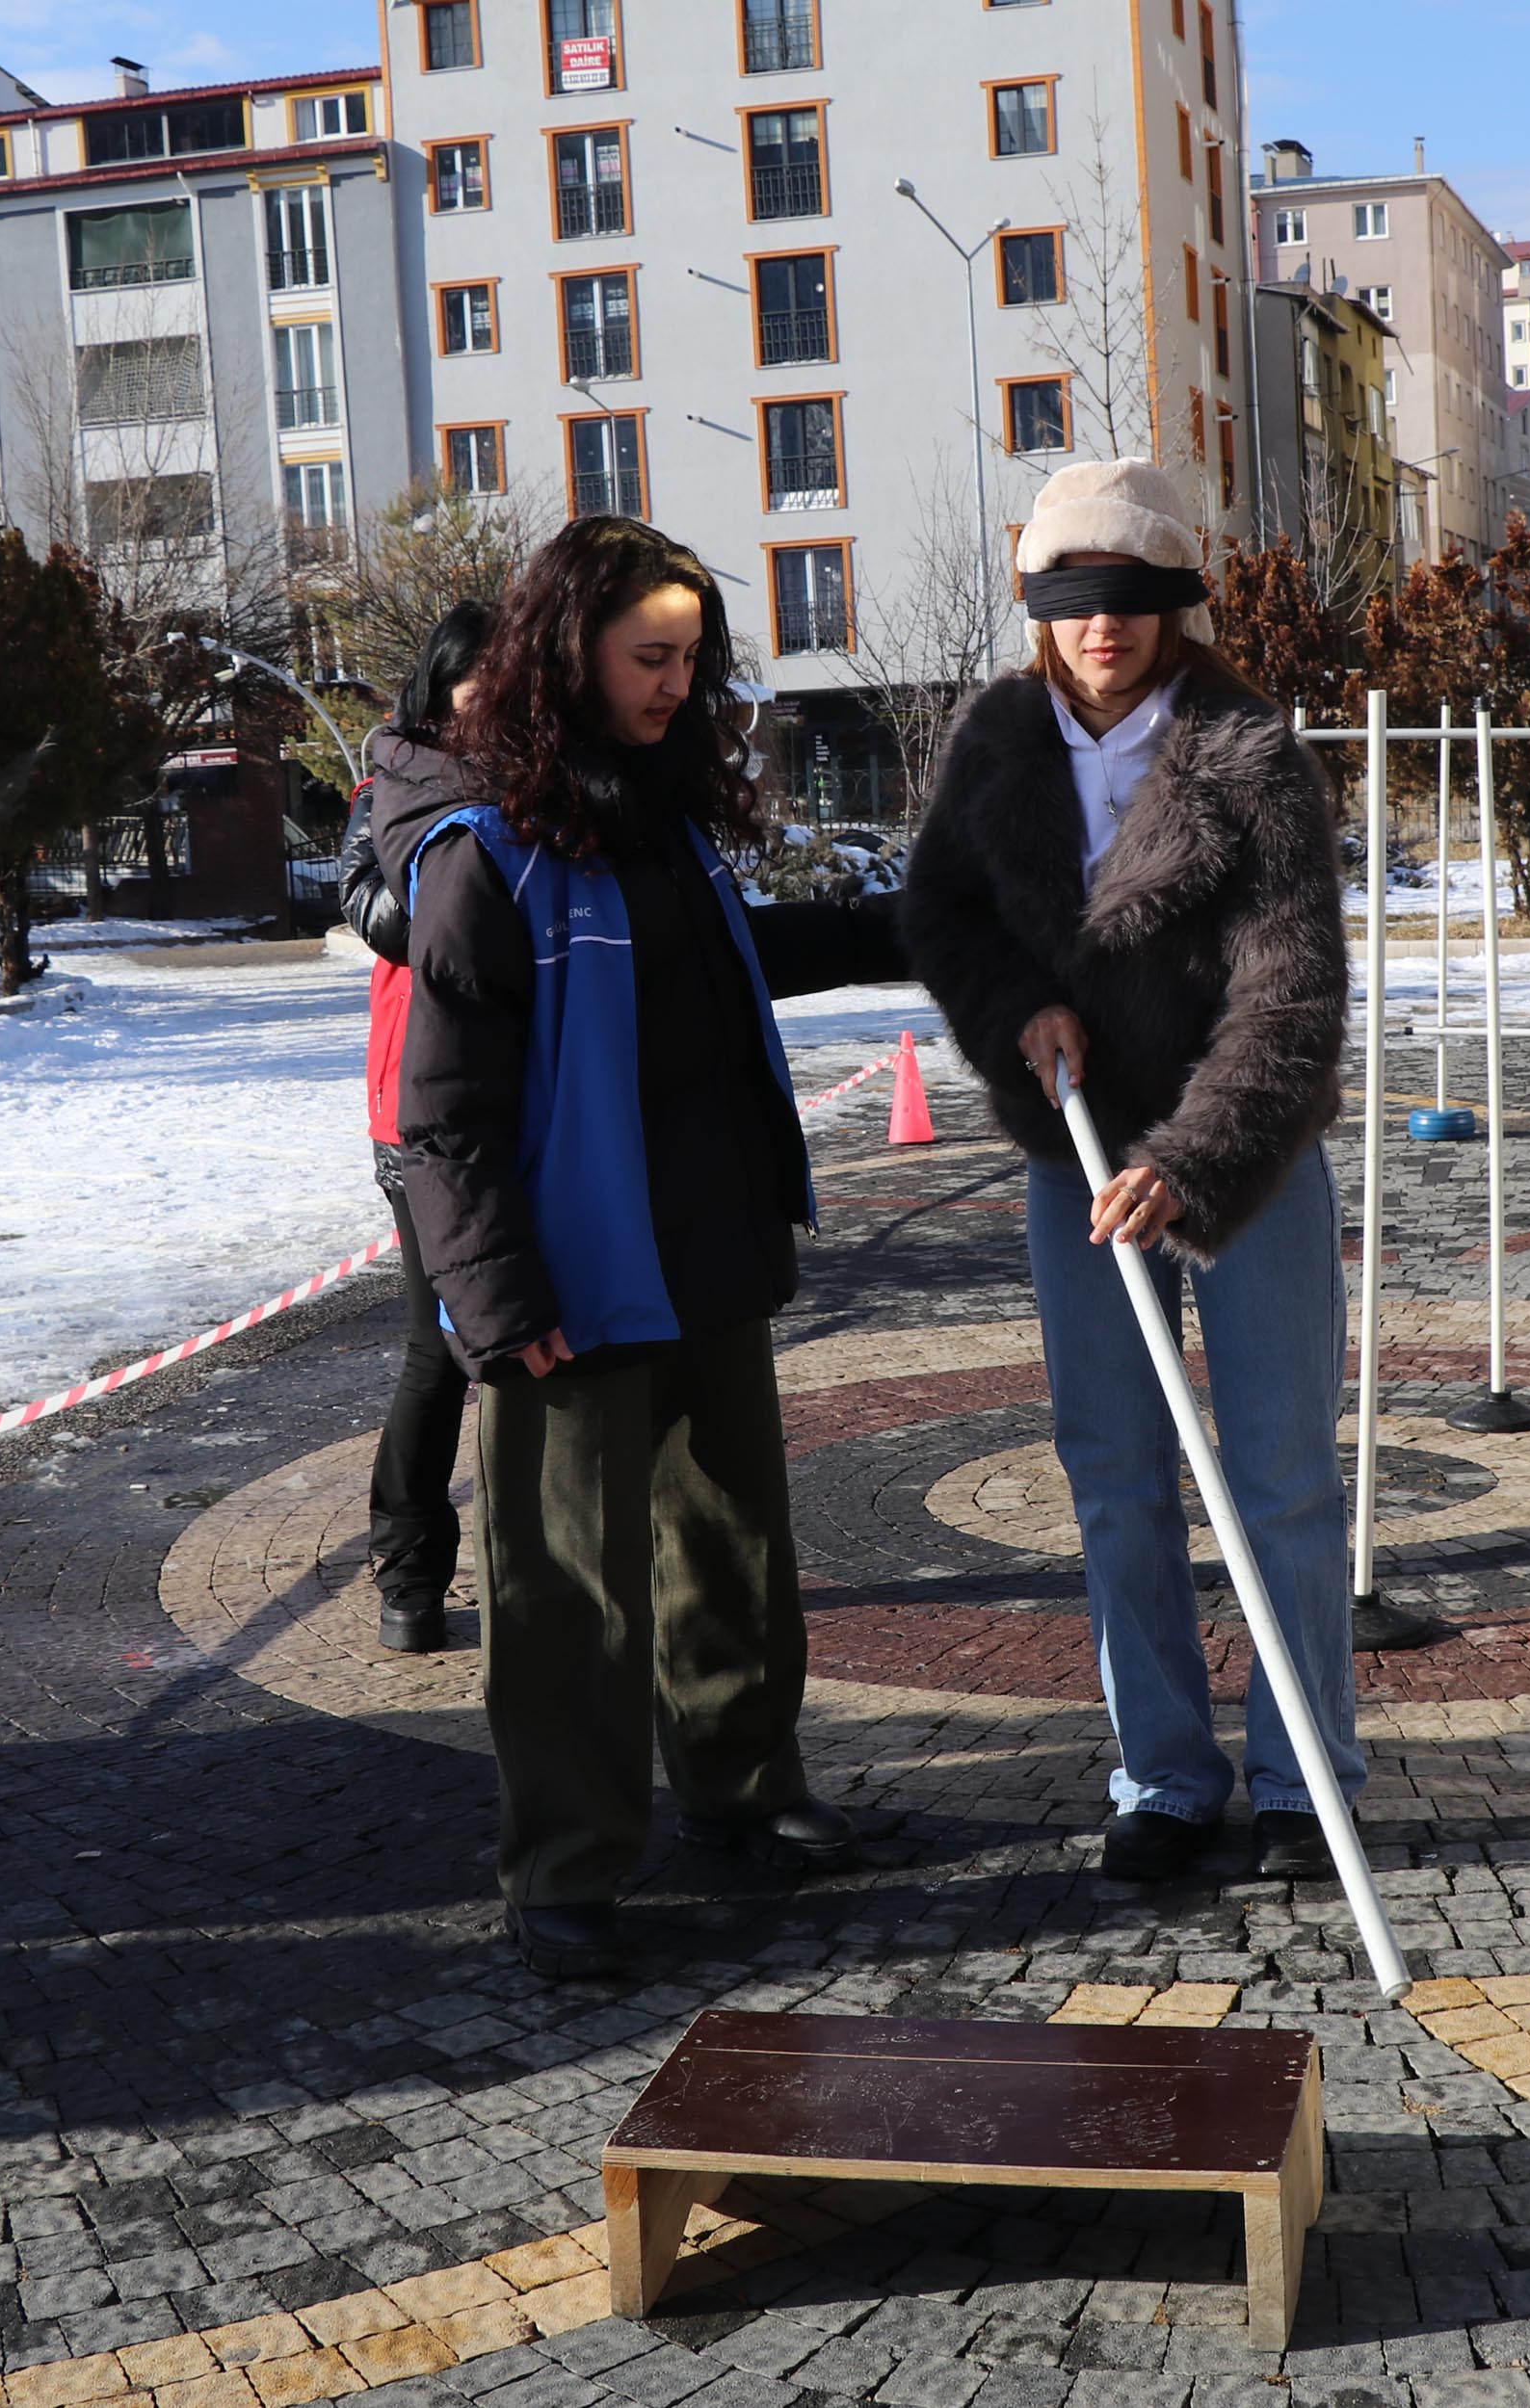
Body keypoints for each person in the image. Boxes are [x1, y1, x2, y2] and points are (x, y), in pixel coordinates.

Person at [369, 516, 903, 1981]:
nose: (678, 685)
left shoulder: (667, 827)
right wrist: (494, 1298)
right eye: (649, 658)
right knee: (566, 1591)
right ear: (570, 659)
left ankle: (741, 1792)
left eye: (692, 658)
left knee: (731, 1546)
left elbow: (730, 976)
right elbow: (446, 1119)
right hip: (569, 1285)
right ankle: (564, 1869)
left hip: (709, 1258)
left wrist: (900, 929)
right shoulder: (486, 862)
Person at [903, 458, 1359, 1885]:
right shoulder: (993, 743)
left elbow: (1291, 994)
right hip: (1077, 1156)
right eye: (1072, 602)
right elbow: (945, 914)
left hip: (1247, 1159)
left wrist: (1195, 1158)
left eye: (1133, 602)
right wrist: (1008, 1014)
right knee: (1114, 1475)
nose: (1103, 630)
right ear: (1040, 608)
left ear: (1176, 607)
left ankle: (1301, 1775)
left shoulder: (1251, 755)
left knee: (1279, 1476)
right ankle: (1162, 1772)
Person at [339, 604, 491, 1655]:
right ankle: (409, 1573)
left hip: (536, 1101)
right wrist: (461, 897)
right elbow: (366, 902)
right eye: (478, 677)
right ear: (439, 687)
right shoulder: (388, 790)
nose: (496, 695)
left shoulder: (550, 786)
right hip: (422, 1110)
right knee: (438, 1349)